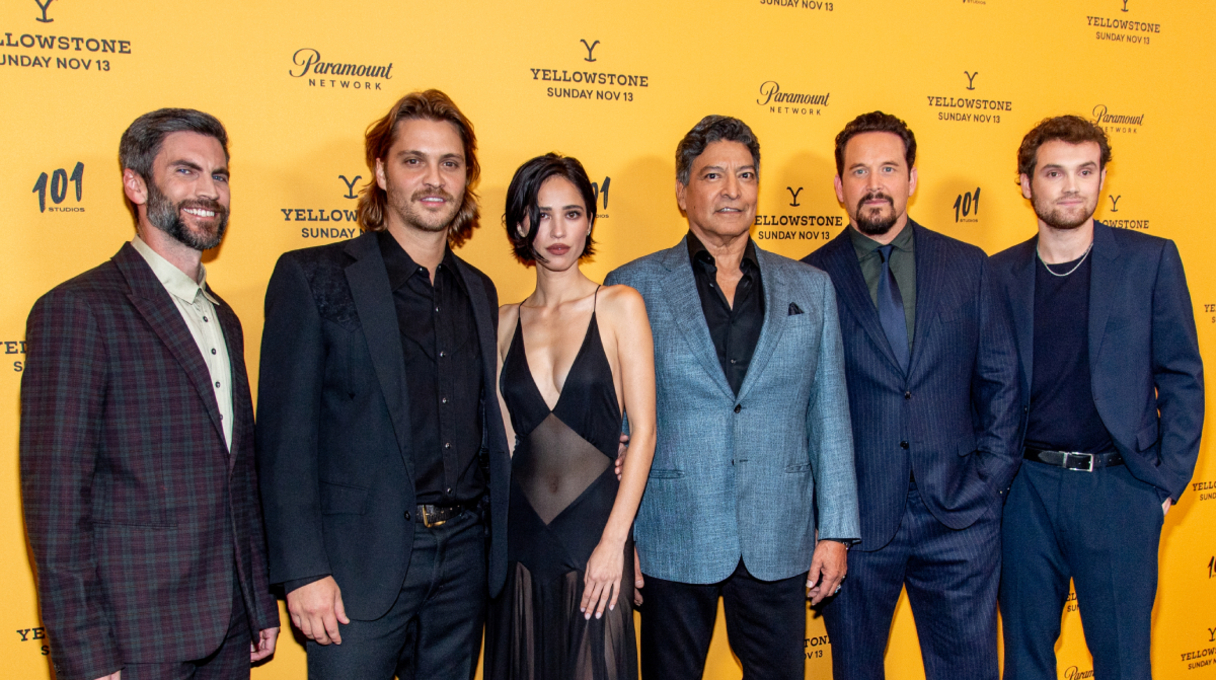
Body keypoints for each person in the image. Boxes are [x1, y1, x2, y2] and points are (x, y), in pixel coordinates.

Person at [255, 90, 510, 680]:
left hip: (465, 562)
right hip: (354, 566)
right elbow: (285, 443)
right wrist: (302, 571)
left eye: (450, 163)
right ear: (380, 171)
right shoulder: (314, 277)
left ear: (466, 178)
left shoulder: (479, 289)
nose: (434, 179)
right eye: (413, 160)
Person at [20, 108, 280, 680]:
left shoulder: (224, 319)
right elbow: (56, 503)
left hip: (228, 627)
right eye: (186, 171)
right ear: (135, 185)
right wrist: (84, 654)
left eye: (219, 175)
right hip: (132, 637)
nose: (209, 191)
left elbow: (238, 477)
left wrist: (257, 599)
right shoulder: (78, 309)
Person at [605, 115, 859, 680]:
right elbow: (614, 423)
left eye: (745, 175)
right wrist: (622, 538)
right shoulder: (632, 286)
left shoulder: (811, 288)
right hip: (671, 531)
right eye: (713, 175)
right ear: (682, 191)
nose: (732, 190)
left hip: (779, 533)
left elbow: (829, 416)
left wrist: (837, 531)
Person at [802, 111, 1020, 680]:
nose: (874, 184)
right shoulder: (807, 280)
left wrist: (988, 485)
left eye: (888, 169)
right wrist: (827, 520)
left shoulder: (968, 266)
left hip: (960, 518)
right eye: (859, 171)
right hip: (856, 529)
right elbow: (800, 410)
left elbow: (1001, 384)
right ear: (839, 186)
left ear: (912, 179)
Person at [992, 115, 1203, 680]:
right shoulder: (997, 274)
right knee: (1025, 662)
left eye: (1085, 171)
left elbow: (1182, 375)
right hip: (1024, 492)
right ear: (1025, 183)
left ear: (1103, 177)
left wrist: (1163, 483)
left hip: (1118, 489)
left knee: (1124, 664)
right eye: (1054, 173)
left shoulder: (1149, 260)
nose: (1072, 186)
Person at [484, 153, 656, 679]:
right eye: (542, 214)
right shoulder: (502, 322)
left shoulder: (620, 305)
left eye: (573, 213)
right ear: (520, 225)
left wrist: (615, 543)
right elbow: (505, 444)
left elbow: (644, 433)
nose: (558, 231)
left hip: (595, 534)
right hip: (519, 539)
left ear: (589, 222)